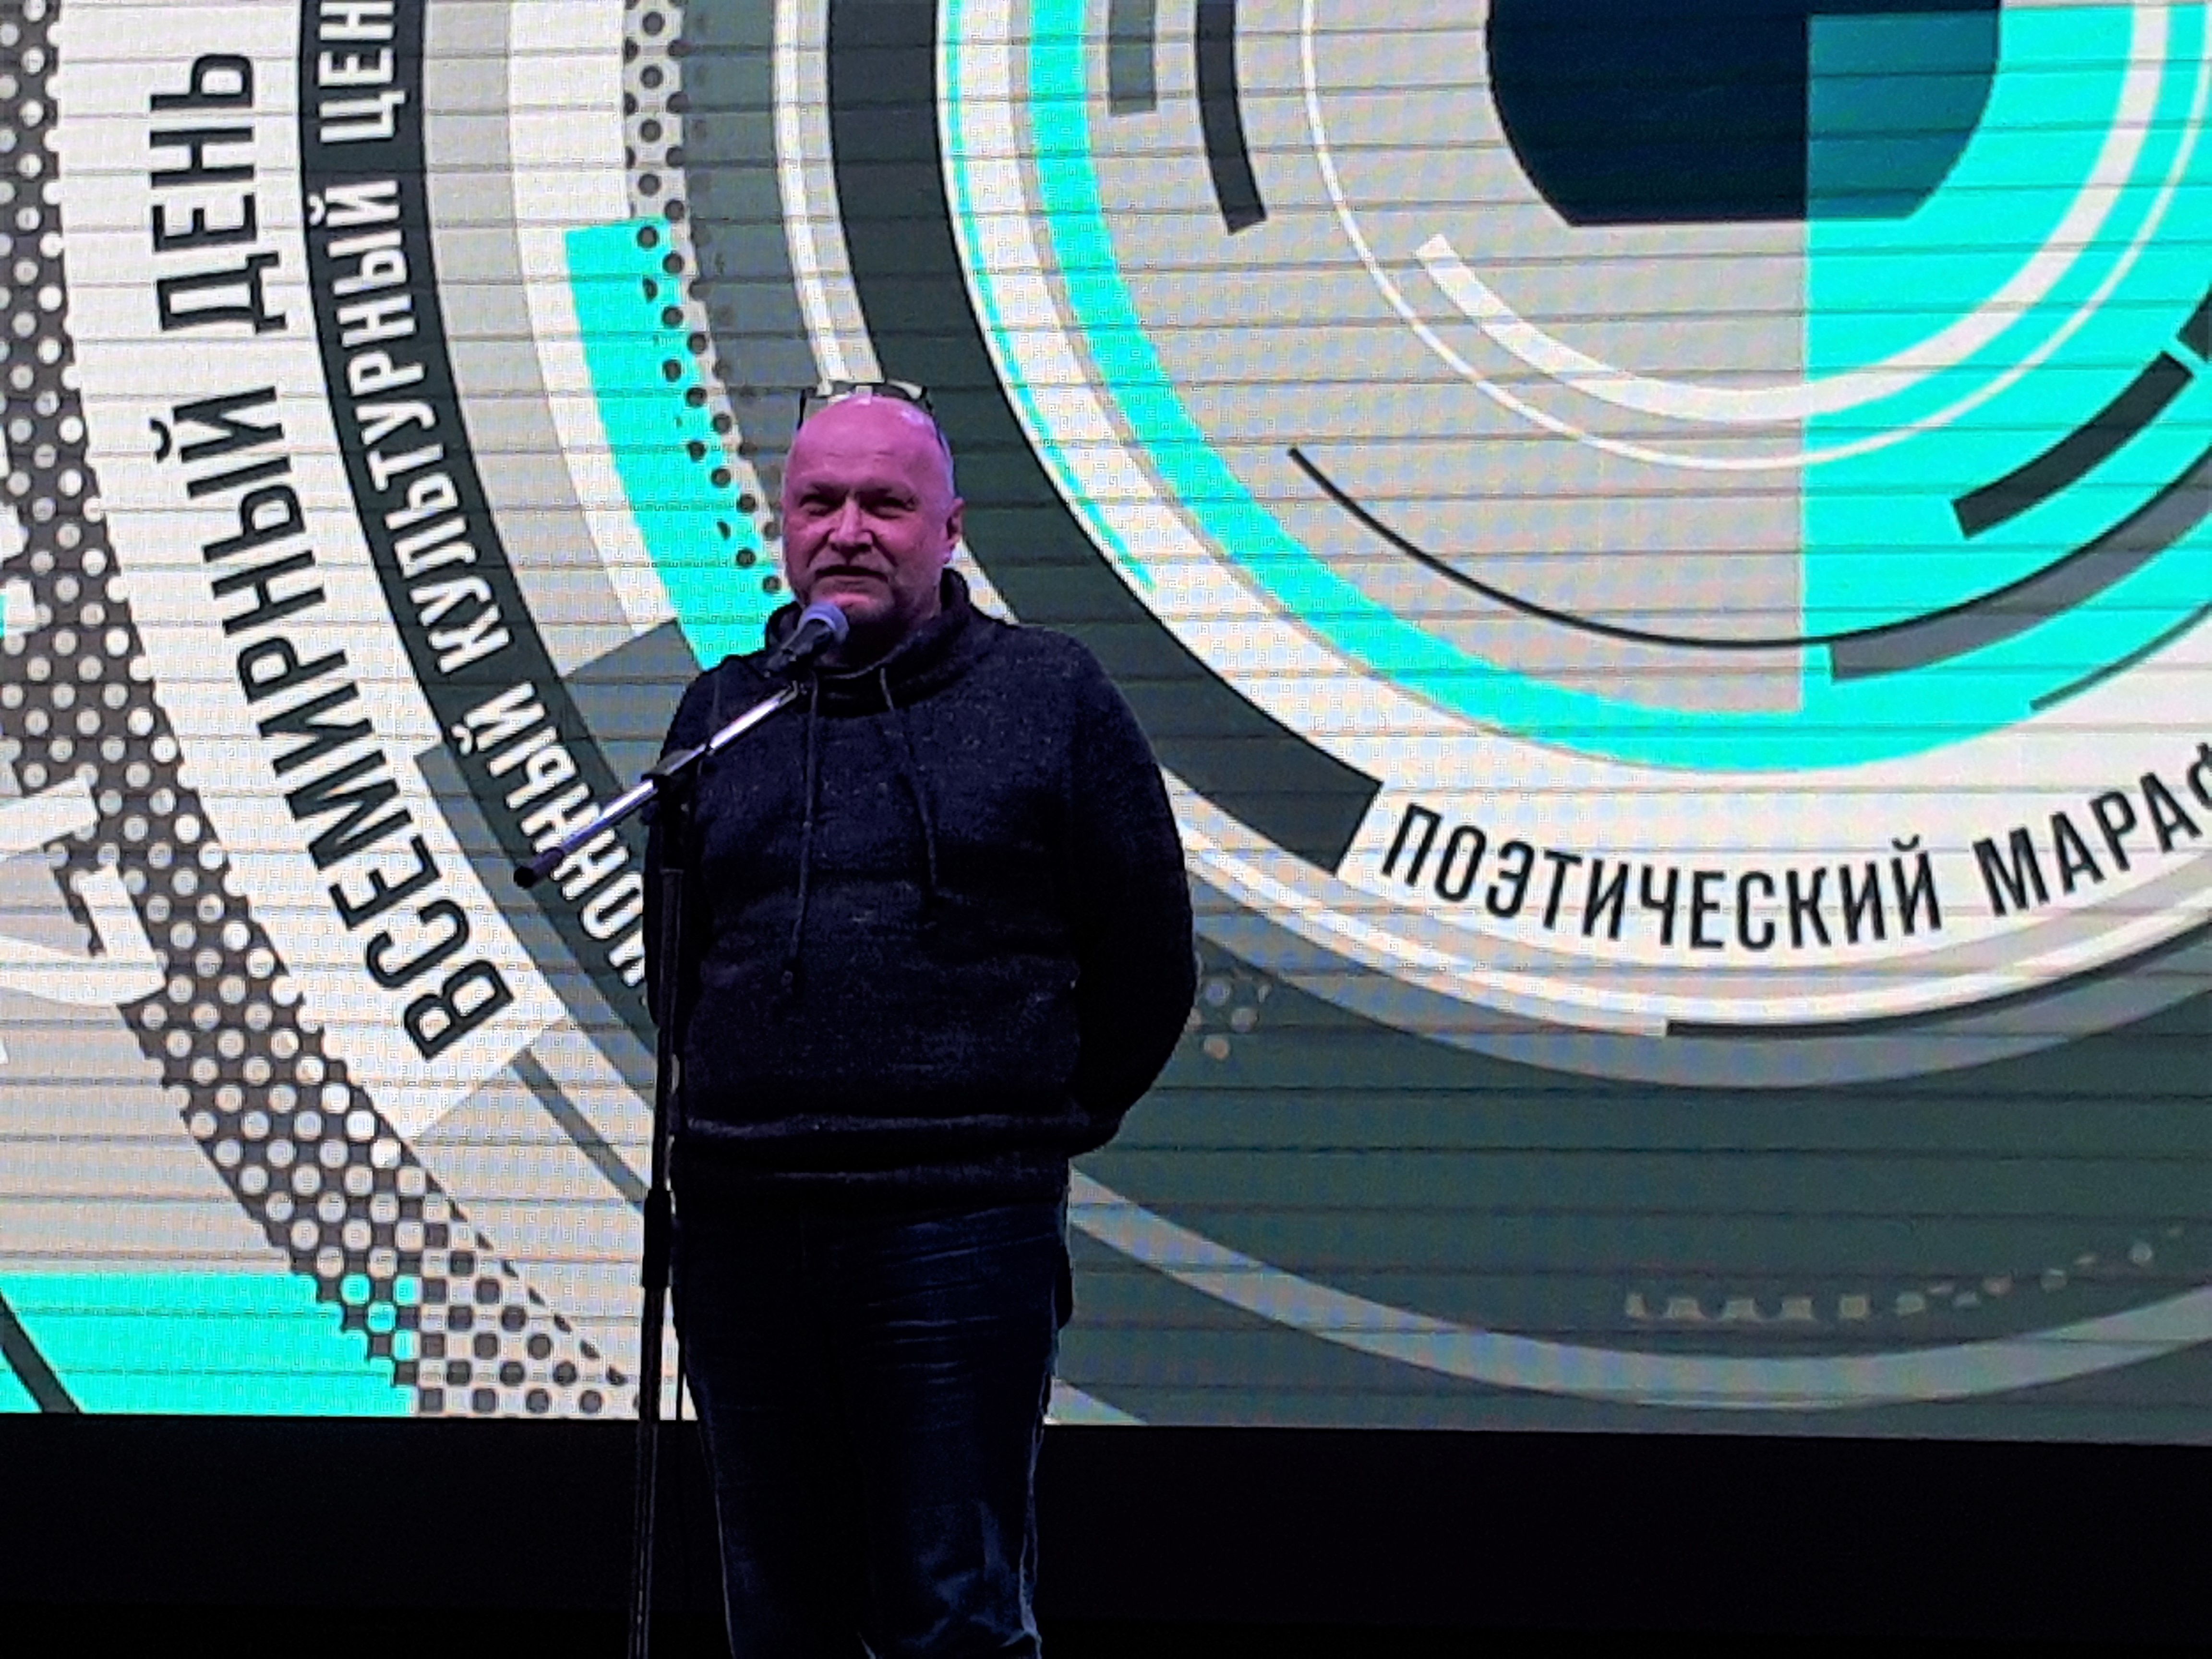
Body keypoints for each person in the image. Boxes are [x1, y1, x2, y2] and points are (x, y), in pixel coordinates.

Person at [646, 387, 1195, 1657]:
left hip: (956, 1220)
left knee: (954, 1609)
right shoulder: (722, 716)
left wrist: (1027, 1122)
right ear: (784, 527)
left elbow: (1148, 962)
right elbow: (681, 969)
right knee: (776, 1609)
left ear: (949, 530)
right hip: (745, 1224)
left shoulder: (1051, 695)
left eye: (885, 504)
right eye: (818, 503)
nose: (847, 530)